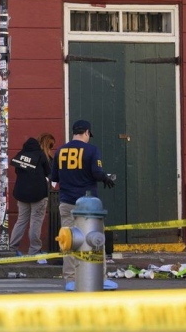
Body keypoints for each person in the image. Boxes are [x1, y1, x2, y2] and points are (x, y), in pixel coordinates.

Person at [51, 120, 117, 291]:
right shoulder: (92, 150)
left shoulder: (60, 151)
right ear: (87, 132)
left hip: (67, 202)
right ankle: (99, 279)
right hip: (89, 207)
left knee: (69, 241)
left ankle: (71, 279)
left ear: (74, 132)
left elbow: (55, 178)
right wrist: (105, 178)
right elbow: (96, 172)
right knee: (95, 240)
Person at [9, 133, 54, 263]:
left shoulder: (20, 155)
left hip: (21, 194)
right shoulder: (41, 155)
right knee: (36, 221)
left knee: (21, 221)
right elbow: (49, 172)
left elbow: (17, 171)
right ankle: (34, 250)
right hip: (38, 194)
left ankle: (12, 248)